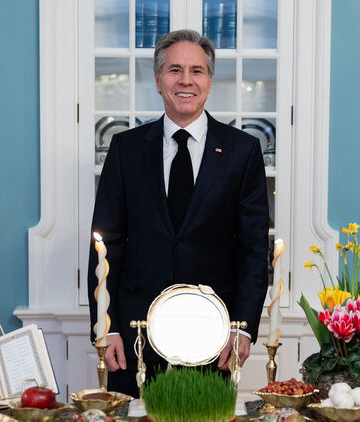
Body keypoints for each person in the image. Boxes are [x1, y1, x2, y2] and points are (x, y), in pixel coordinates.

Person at [87, 29, 269, 397]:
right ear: (158, 80)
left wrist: (243, 327)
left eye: (196, 71)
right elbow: (106, 246)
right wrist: (107, 327)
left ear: (209, 81)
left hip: (214, 336)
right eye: (174, 70)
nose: (186, 80)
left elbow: (253, 250)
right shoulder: (125, 149)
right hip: (136, 336)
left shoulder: (243, 151)